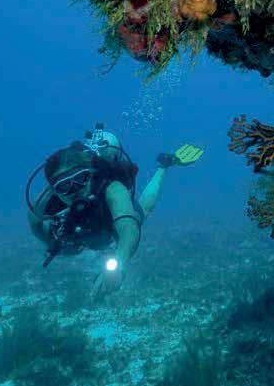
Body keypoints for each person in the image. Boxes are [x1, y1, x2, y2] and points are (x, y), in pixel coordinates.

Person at [26, 123, 203, 298]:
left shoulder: (112, 188)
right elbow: (35, 223)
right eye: (64, 186)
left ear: (90, 174)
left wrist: (118, 264)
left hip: (109, 221)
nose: (76, 189)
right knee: (66, 249)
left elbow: (129, 229)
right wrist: (50, 239)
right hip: (81, 237)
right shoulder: (48, 201)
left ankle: (163, 166)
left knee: (141, 212)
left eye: (81, 178)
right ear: (54, 190)